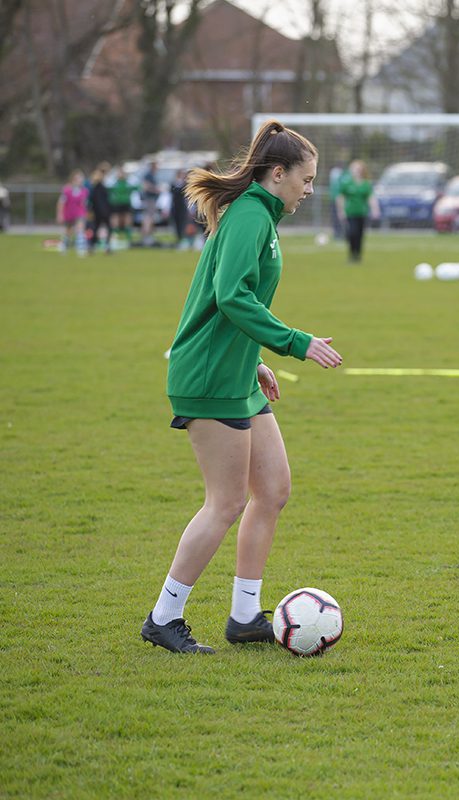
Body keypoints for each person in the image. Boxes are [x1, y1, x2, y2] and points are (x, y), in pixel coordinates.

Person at [140, 120, 343, 654]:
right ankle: (164, 617)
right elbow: (230, 296)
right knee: (225, 502)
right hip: (207, 378)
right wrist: (295, 343)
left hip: (235, 373)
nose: (309, 189)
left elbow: (230, 300)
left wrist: (252, 360)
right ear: (278, 174)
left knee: (273, 490)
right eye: (306, 178)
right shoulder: (252, 215)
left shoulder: (262, 215)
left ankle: (245, 615)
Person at [335, 160, 379, 263]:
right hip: (350, 212)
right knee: (352, 233)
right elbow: (340, 197)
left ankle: (358, 255)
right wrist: (341, 211)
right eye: (354, 168)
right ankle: (351, 254)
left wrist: (375, 209)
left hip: (362, 213)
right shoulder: (347, 183)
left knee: (360, 235)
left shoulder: (366, 184)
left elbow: (370, 198)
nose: (356, 171)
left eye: (358, 169)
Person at [56, 169, 89, 256]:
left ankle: (81, 249)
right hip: (69, 213)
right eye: (78, 178)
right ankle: (64, 246)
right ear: (73, 179)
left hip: (79, 213)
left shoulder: (84, 190)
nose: (80, 180)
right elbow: (61, 203)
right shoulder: (67, 190)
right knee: (68, 231)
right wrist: (60, 214)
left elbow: (84, 203)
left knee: (80, 229)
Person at [87, 162, 113, 254]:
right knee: (105, 228)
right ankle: (104, 247)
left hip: (99, 210)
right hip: (102, 211)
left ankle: (93, 246)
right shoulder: (99, 186)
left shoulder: (97, 185)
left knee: (96, 228)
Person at [109, 166, 135, 250]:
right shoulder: (114, 183)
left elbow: (136, 187)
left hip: (126, 204)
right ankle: (114, 239)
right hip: (117, 204)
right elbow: (109, 191)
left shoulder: (128, 182)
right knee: (116, 220)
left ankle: (128, 240)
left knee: (127, 220)